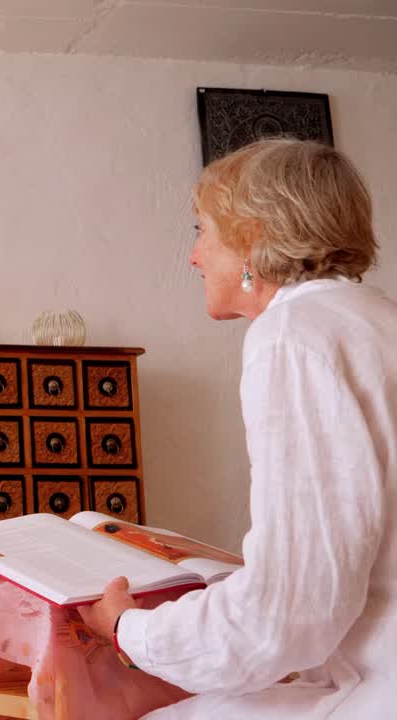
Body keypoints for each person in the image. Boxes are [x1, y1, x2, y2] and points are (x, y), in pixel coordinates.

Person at [77, 138, 396, 718]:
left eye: (202, 230)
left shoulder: (293, 335)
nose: (194, 256)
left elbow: (288, 614)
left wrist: (128, 630)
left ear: (250, 237)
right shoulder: (376, 318)